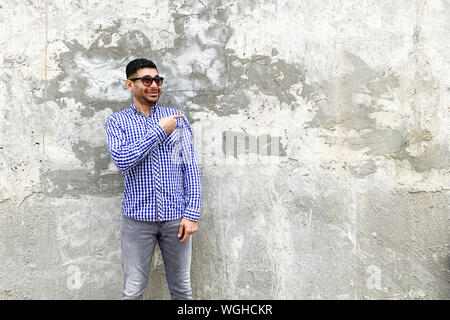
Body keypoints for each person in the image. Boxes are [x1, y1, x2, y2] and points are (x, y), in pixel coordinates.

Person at [105, 58, 202, 300]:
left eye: (157, 80)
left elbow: (190, 167)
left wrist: (192, 214)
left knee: (182, 290)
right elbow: (123, 161)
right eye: (146, 80)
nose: (154, 85)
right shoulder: (117, 121)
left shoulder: (176, 118)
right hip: (137, 221)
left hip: (176, 219)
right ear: (130, 84)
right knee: (132, 291)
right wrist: (159, 131)